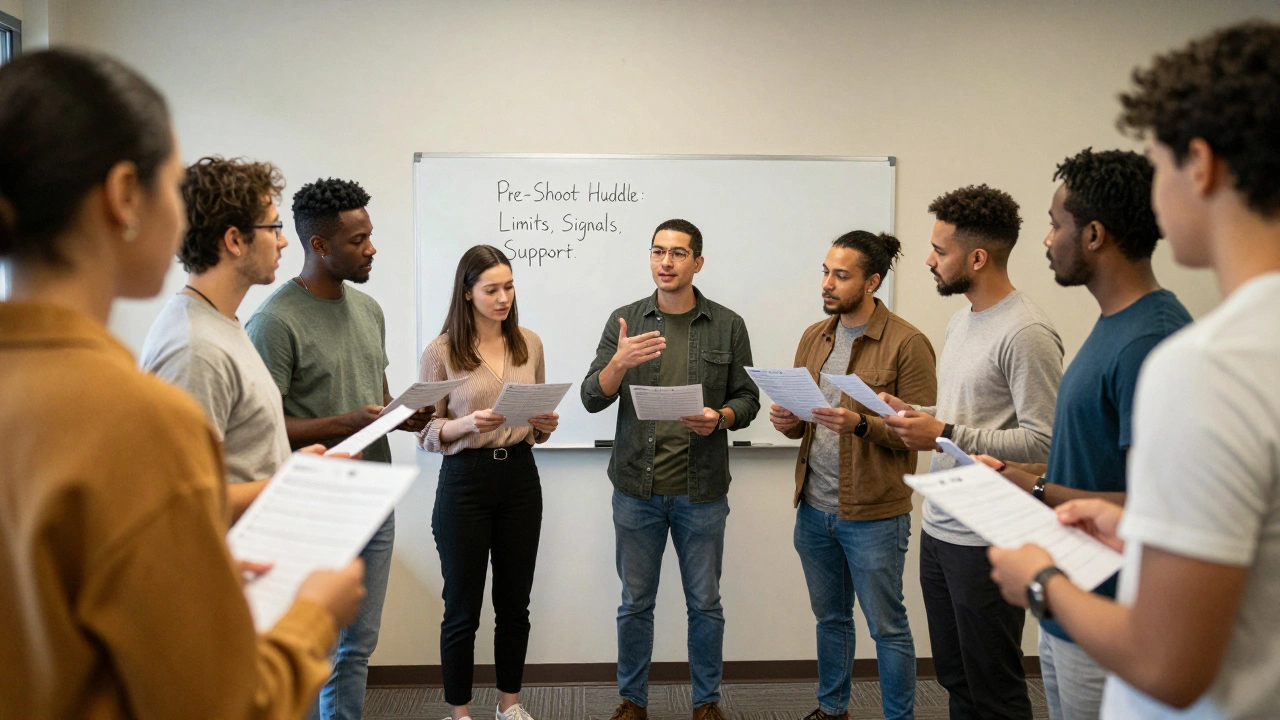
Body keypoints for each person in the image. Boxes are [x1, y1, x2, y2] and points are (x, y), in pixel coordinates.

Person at [0, 48, 364, 720]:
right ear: (122, 197)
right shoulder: (135, 414)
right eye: (171, 186)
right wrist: (315, 614)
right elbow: (218, 702)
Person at [988, 21, 1280, 719]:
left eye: (1161, 163)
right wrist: (1140, 519)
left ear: (1201, 164)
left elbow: (1164, 664)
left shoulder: (1208, 364)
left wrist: (1040, 581)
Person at [974, 148, 1190, 720]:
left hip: (1116, 611)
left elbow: (1158, 508)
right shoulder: (1113, 326)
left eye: (1055, 224)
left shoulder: (1152, 341)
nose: (1047, 239)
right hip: (1072, 604)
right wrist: (1025, 481)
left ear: (1093, 235)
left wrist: (1038, 491)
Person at [246, 177, 429, 720]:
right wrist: (346, 422)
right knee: (310, 645)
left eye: (370, 235)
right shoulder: (274, 321)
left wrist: (405, 415)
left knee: (357, 647)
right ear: (319, 246)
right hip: (310, 503)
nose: (371, 248)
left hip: (373, 496)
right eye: (358, 240)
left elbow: (376, 399)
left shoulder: (369, 311)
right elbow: (266, 427)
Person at [880, 185, 1063, 720]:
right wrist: (916, 412)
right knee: (956, 677)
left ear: (977, 258)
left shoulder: (1026, 331)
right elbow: (971, 413)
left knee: (994, 687)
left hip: (990, 537)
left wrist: (943, 430)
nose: (930, 262)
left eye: (940, 251)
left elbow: (1043, 442)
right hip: (941, 528)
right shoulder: (962, 319)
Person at [581, 219, 760, 720]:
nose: (666, 262)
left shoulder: (728, 324)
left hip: (700, 491)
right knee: (635, 602)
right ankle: (632, 701)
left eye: (678, 253)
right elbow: (591, 397)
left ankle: (706, 702)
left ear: (697, 262)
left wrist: (720, 418)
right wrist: (617, 363)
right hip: (636, 489)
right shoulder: (625, 320)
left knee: (705, 603)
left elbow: (749, 398)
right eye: (658, 251)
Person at [769, 231, 937, 720]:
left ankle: (898, 716)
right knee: (831, 620)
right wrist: (789, 422)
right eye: (825, 272)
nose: (827, 283)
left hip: (874, 513)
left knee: (887, 626)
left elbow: (920, 431)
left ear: (872, 281)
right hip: (815, 507)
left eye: (841, 276)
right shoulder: (815, 336)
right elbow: (806, 418)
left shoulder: (908, 342)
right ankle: (832, 709)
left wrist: (862, 424)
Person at [417, 245, 559, 720]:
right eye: (492, 289)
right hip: (465, 481)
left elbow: (535, 421)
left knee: (514, 603)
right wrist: (465, 425)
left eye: (509, 287)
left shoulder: (530, 342)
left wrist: (543, 425)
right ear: (467, 292)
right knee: (462, 607)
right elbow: (425, 430)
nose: (503, 298)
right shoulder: (441, 352)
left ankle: (509, 707)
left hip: (519, 476)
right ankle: (459, 713)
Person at [140, 156, 295, 519]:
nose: (283, 241)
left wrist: (295, 469)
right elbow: (181, 503)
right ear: (235, 240)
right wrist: (292, 483)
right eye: (274, 227)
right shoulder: (195, 348)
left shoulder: (218, 323)